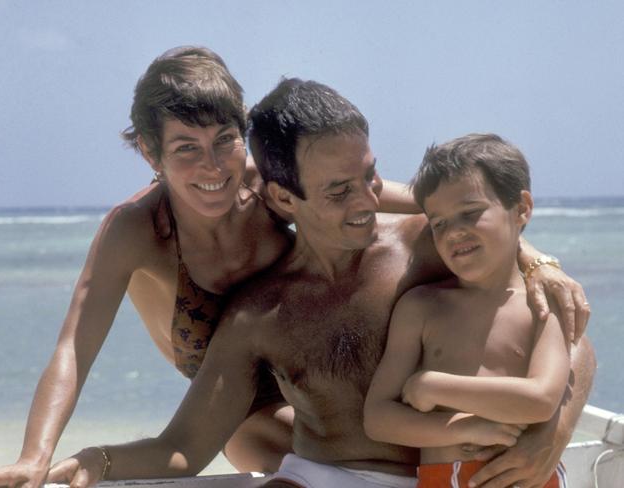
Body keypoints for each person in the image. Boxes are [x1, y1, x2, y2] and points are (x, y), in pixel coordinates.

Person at [40, 79, 594, 488]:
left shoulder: (429, 245)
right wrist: (97, 461)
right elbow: (184, 448)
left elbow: (570, 337)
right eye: (337, 191)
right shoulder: (259, 314)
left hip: (454, 475)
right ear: (283, 197)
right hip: (323, 478)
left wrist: (554, 434)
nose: (367, 200)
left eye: (370, 175)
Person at [364, 134, 574, 488]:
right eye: (439, 223)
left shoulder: (543, 303)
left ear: (522, 208)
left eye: (471, 213)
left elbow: (541, 400)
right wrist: (466, 426)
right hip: (443, 478)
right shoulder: (421, 307)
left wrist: (434, 386)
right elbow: (378, 418)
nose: (454, 233)